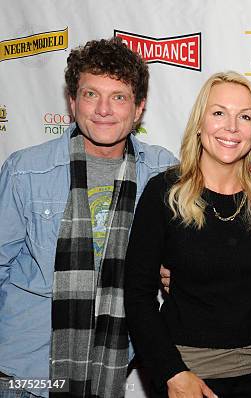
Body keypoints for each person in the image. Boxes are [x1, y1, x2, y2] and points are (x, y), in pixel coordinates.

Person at [0, 37, 177, 397]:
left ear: (139, 108)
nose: (103, 110)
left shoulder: (163, 171)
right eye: (91, 94)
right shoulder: (26, 170)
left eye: (119, 97)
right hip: (26, 371)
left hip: (112, 366)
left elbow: (224, 178)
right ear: (72, 101)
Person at [124, 71, 251, 398]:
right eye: (219, 113)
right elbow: (137, 295)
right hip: (187, 374)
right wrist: (171, 372)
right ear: (199, 123)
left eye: (245, 117)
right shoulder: (163, 193)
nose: (232, 127)